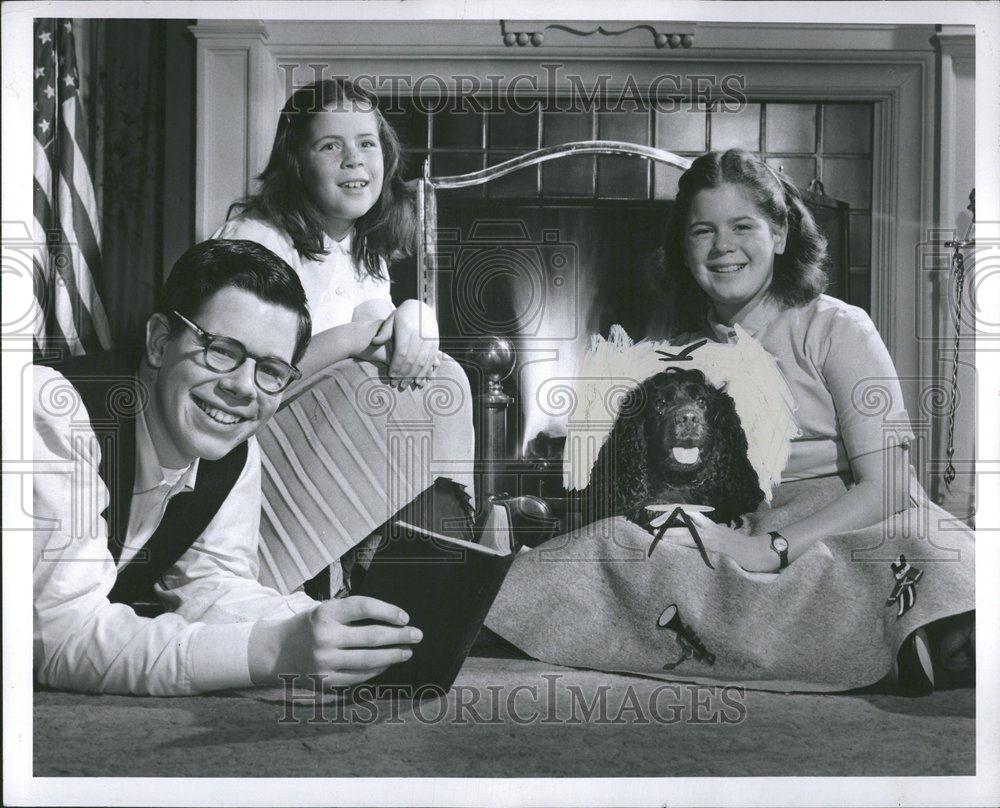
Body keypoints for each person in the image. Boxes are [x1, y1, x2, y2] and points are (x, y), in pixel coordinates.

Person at [485, 149, 974, 693]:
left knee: (924, 552)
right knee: (612, 547)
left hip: (844, 523)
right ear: (683, 247)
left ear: (781, 234)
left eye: (743, 226)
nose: (723, 247)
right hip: (743, 528)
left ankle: (902, 631)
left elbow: (891, 486)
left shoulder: (838, 328)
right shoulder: (677, 347)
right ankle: (900, 637)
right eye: (702, 232)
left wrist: (776, 549)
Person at [33, 239, 421, 695]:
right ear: (160, 342)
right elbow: (57, 635)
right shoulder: (53, 411)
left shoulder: (232, 452)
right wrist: (271, 653)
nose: (243, 388)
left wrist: (325, 629)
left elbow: (213, 587)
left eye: (272, 371)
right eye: (221, 350)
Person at [212, 78, 475, 596]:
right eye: (330, 145)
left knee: (442, 378)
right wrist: (356, 338)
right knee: (398, 386)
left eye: (367, 143)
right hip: (248, 438)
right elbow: (238, 376)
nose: (354, 161)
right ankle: (420, 563)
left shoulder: (360, 248)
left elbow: (384, 330)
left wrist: (417, 316)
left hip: (318, 434)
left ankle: (427, 558)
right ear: (298, 163)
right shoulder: (257, 240)